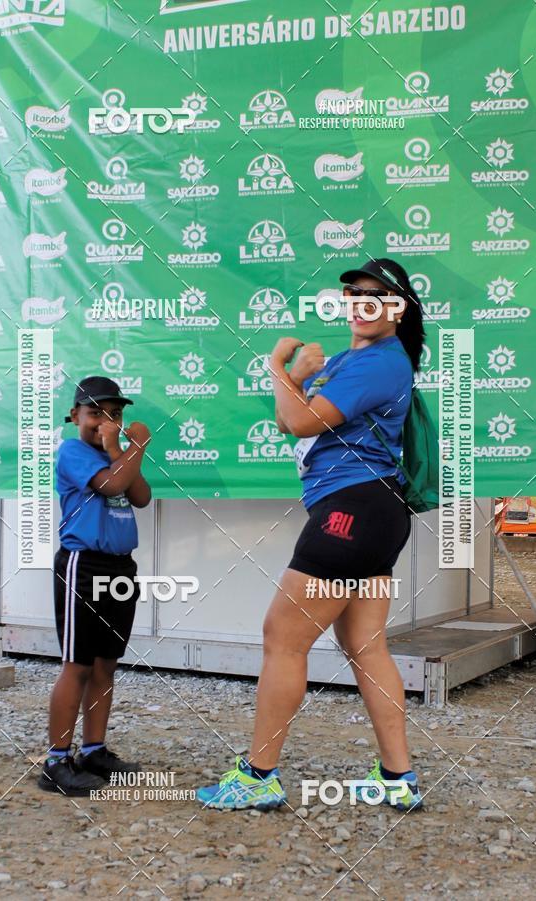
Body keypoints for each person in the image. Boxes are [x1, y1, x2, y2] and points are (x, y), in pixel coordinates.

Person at [197, 258, 425, 812]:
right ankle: (398, 777)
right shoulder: (354, 359)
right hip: (371, 513)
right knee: (365, 645)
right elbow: (289, 417)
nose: (363, 301)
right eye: (354, 292)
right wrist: (294, 381)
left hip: (353, 512)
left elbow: (301, 422)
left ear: (397, 309)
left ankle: (258, 776)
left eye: (378, 294)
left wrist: (278, 366)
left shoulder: (381, 364)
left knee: (283, 636)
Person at [38, 376, 152, 796]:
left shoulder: (116, 454)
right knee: (78, 665)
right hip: (83, 567)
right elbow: (113, 485)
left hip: (119, 568)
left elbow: (140, 496)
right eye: (96, 413)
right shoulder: (72, 451)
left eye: (116, 414)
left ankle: (94, 750)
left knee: (106, 664)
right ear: (74, 417)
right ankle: (55, 762)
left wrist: (122, 449)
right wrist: (134, 446)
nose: (107, 420)